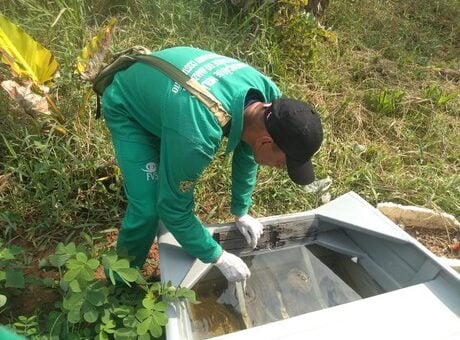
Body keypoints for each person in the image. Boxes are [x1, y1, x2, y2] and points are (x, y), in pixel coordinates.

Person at [101, 46, 323, 283]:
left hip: (168, 99)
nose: (278, 168)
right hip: (129, 106)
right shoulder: (197, 137)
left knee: (169, 175)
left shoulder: (269, 100)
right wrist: (217, 256)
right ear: (266, 142)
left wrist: (241, 210)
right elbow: (173, 210)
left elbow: (248, 150)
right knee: (149, 208)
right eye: (281, 164)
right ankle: (119, 282)